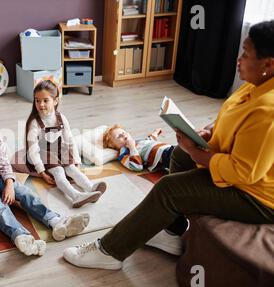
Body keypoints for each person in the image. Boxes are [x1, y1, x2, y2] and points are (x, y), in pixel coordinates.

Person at [63, 20, 274, 270]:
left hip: (257, 198)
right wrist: (207, 131)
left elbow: (243, 172)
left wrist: (197, 151)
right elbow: (229, 119)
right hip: (241, 174)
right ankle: (171, 232)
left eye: (246, 54)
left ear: (268, 64)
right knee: (179, 154)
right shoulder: (253, 86)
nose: (239, 59)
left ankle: (109, 252)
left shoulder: (268, 110)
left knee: (169, 188)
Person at [0, 96, 90, 256]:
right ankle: (21, 236)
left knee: (25, 193)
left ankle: (55, 221)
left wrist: (10, 183)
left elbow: (4, 164)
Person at [25, 80, 107, 208]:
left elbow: (69, 140)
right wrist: (42, 172)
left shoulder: (61, 118)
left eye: (45, 100)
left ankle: (91, 188)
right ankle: (76, 196)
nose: (41, 104)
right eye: (37, 100)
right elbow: (33, 150)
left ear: (55, 101)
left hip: (60, 150)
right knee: (59, 172)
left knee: (72, 169)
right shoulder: (34, 123)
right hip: (44, 153)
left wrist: (76, 160)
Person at [103, 124, 175, 172]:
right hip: (165, 155)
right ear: (113, 146)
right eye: (119, 136)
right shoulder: (123, 153)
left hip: (169, 148)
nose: (124, 135)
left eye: (124, 133)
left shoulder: (137, 141)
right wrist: (132, 148)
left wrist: (155, 133)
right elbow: (136, 167)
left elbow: (148, 141)